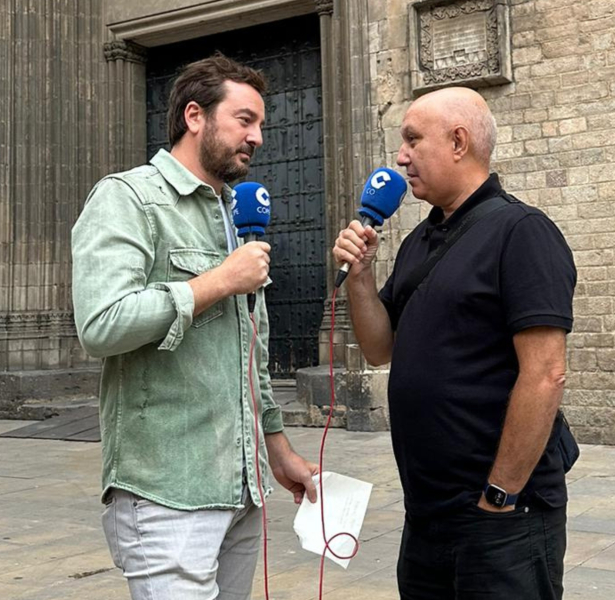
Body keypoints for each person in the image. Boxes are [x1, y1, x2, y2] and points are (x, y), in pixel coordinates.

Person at [71, 54, 318, 600]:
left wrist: (279, 452)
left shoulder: (234, 214)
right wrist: (217, 282)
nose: (257, 138)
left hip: (242, 490)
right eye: (245, 120)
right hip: (167, 494)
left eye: (261, 125)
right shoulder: (128, 198)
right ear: (194, 116)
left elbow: (248, 355)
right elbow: (101, 324)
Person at [333, 87, 577, 599]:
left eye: (412, 140)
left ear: (459, 142)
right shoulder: (419, 241)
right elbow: (381, 349)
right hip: (427, 517)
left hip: (501, 520)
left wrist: (500, 495)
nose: (400, 157)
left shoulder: (522, 232)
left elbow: (545, 372)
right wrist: (360, 277)